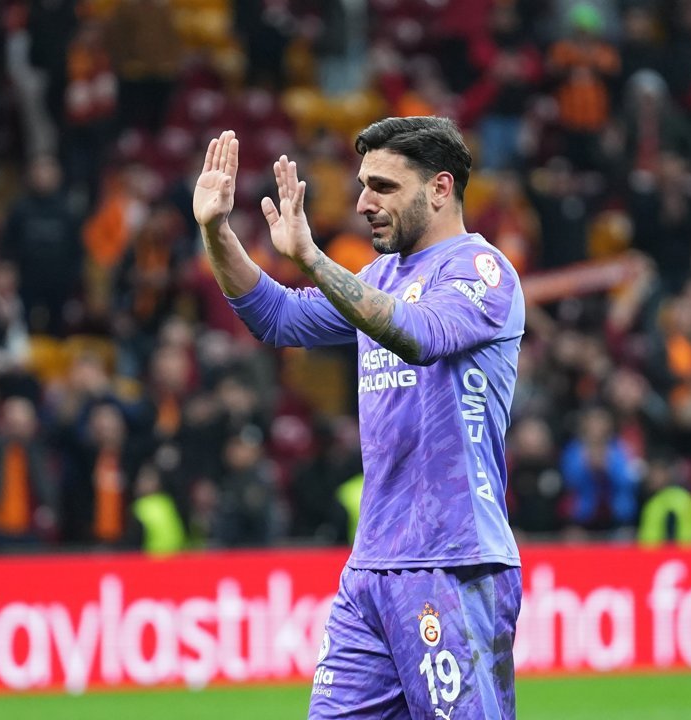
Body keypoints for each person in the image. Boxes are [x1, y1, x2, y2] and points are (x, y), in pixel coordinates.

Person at [192, 119, 525, 719]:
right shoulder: (378, 278)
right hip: (371, 566)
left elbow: (420, 335)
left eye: (384, 187)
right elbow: (277, 317)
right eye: (363, 185)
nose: (363, 203)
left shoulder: (482, 271)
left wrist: (313, 259)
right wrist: (217, 231)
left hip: (452, 559)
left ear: (440, 188)